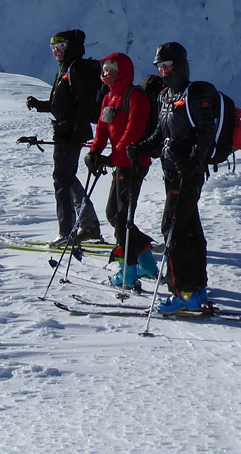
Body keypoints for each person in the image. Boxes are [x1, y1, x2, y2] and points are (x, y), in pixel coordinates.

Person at [130, 41, 219, 313]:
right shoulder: (165, 96)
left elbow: (206, 133)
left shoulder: (195, 94)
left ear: (180, 65)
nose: (162, 70)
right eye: (159, 65)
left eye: (167, 65)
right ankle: (196, 289)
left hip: (187, 174)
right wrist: (141, 148)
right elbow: (161, 135)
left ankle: (184, 293)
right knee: (189, 229)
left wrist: (193, 163)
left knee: (173, 230)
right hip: (172, 173)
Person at [83, 53, 157, 286]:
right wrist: (95, 152)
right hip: (121, 164)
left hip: (135, 163)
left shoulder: (135, 96)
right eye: (105, 70)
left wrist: (112, 158)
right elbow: (102, 129)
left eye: (112, 70)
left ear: (123, 72)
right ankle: (146, 261)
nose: (107, 74)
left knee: (122, 217)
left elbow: (133, 132)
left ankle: (128, 272)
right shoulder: (109, 97)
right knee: (115, 214)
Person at [26, 29, 102, 245]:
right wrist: (40, 105)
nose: (56, 51)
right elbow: (61, 104)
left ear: (72, 47)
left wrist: (76, 133)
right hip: (65, 133)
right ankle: (89, 225)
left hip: (69, 135)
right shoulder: (66, 69)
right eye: (53, 47)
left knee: (61, 179)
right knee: (66, 177)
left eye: (61, 46)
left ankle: (67, 232)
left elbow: (86, 104)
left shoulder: (75, 69)